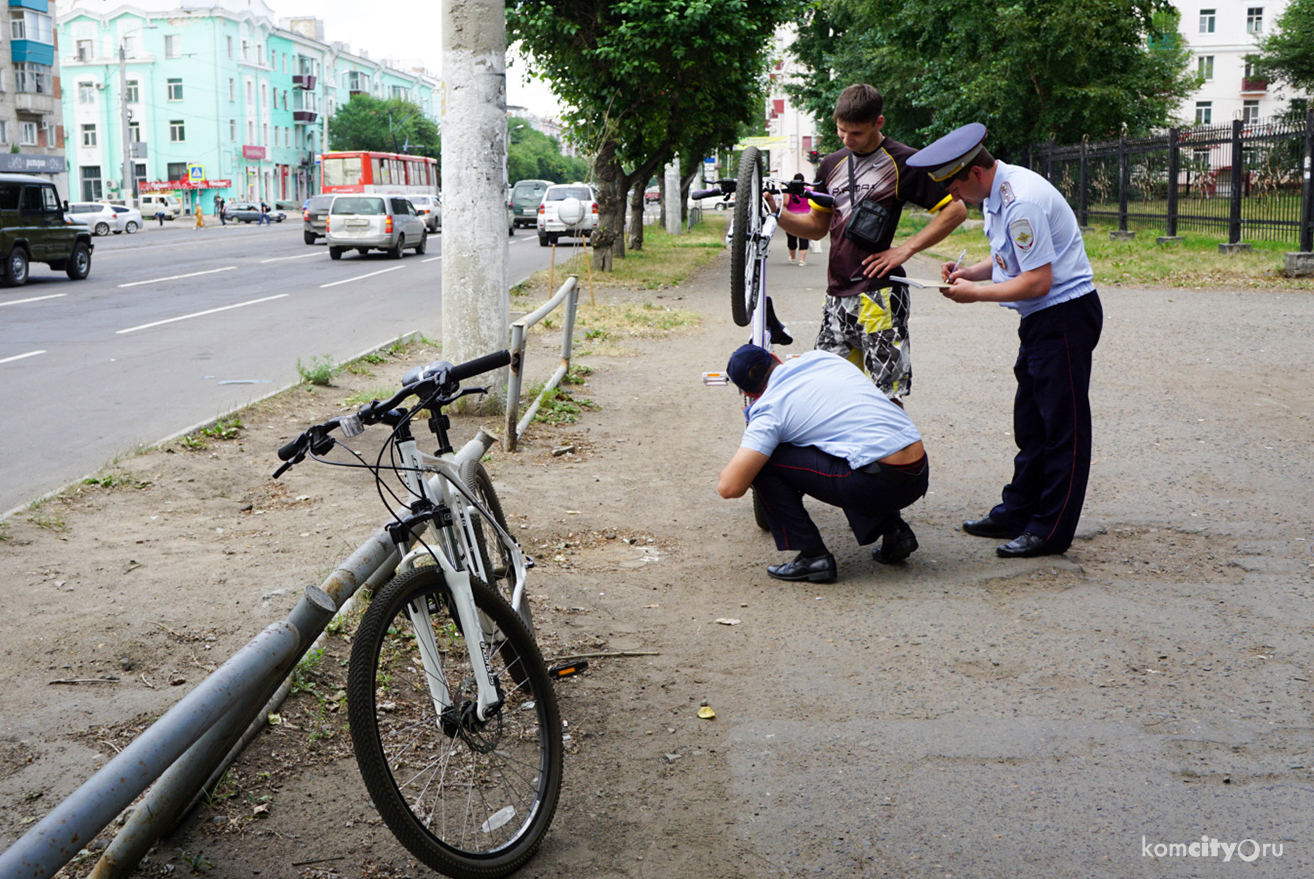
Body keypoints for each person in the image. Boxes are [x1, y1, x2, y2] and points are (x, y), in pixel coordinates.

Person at [907, 123, 1103, 559]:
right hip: (1043, 321)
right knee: (1032, 424)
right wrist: (969, 273)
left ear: (974, 173)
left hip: (1063, 317)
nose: (955, 198)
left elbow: (1036, 281)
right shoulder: (999, 194)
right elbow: (1009, 260)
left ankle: (1050, 530)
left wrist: (974, 294)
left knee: (1062, 430)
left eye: (955, 187)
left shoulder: (1021, 203)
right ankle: (1018, 511)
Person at [769, 83, 967, 403]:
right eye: (841, 131)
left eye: (856, 133)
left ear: (879, 123)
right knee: (828, 390)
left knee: (884, 395)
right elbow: (817, 228)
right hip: (836, 294)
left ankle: (892, 454)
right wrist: (777, 213)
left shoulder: (905, 161)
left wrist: (906, 249)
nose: (847, 140)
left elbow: (955, 210)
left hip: (881, 294)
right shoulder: (830, 164)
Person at [717, 344, 929, 583]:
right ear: (776, 358)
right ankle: (894, 531)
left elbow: (730, 487)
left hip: (877, 485)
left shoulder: (769, 409)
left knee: (765, 462)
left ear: (752, 394)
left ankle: (813, 557)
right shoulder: (822, 358)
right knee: (839, 436)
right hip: (918, 470)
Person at [783, 173, 809, 266]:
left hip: (791, 217)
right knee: (804, 238)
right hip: (806, 217)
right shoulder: (808, 191)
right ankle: (802, 260)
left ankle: (793, 258)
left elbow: (785, 203)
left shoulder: (789, 192)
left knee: (791, 238)